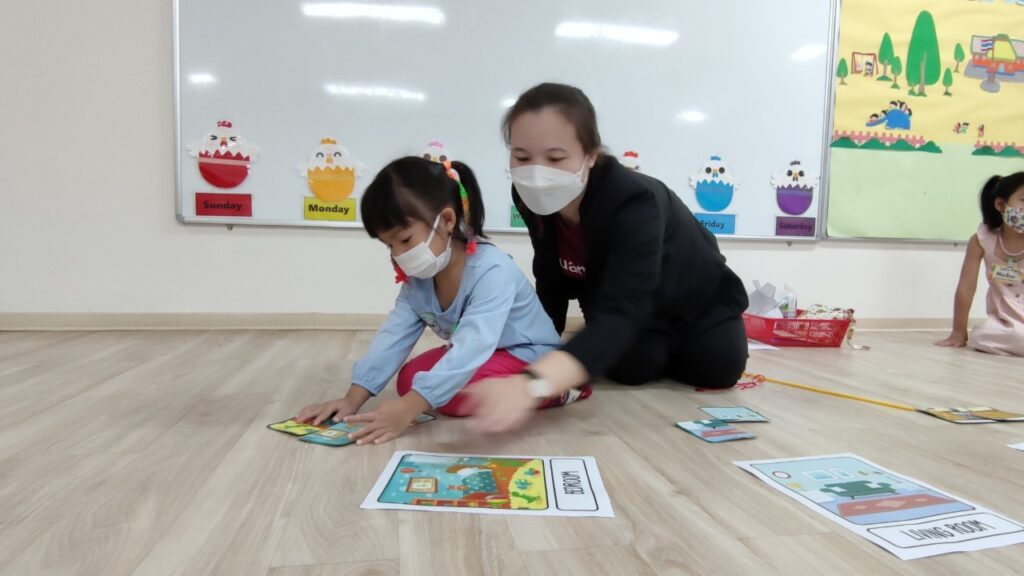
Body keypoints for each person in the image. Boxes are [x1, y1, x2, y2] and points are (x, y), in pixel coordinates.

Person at [466, 83, 749, 433]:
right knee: (630, 368)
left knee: (720, 366)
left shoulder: (634, 200)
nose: (536, 174)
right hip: (626, 303)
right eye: (521, 157)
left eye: (555, 158)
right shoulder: (527, 195)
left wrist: (534, 384)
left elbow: (622, 310)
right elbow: (550, 273)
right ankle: (645, 346)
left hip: (694, 300)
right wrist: (537, 349)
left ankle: (658, 344)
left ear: (590, 155)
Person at [297, 156, 567, 444]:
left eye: (404, 239)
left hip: (531, 355)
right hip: (490, 356)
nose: (398, 254)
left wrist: (408, 408)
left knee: (449, 394)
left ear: (448, 220)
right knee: (410, 379)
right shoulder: (418, 280)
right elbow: (394, 335)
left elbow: (473, 347)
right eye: (389, 245)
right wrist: (352, 398)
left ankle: (560, 386)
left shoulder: (493, 270)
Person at [936, 172, 1024, 356]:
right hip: (1003, 323)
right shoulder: (982, 240)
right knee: (985, 336)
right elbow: (966, 287)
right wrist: (958, 332)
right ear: (1000, 205)